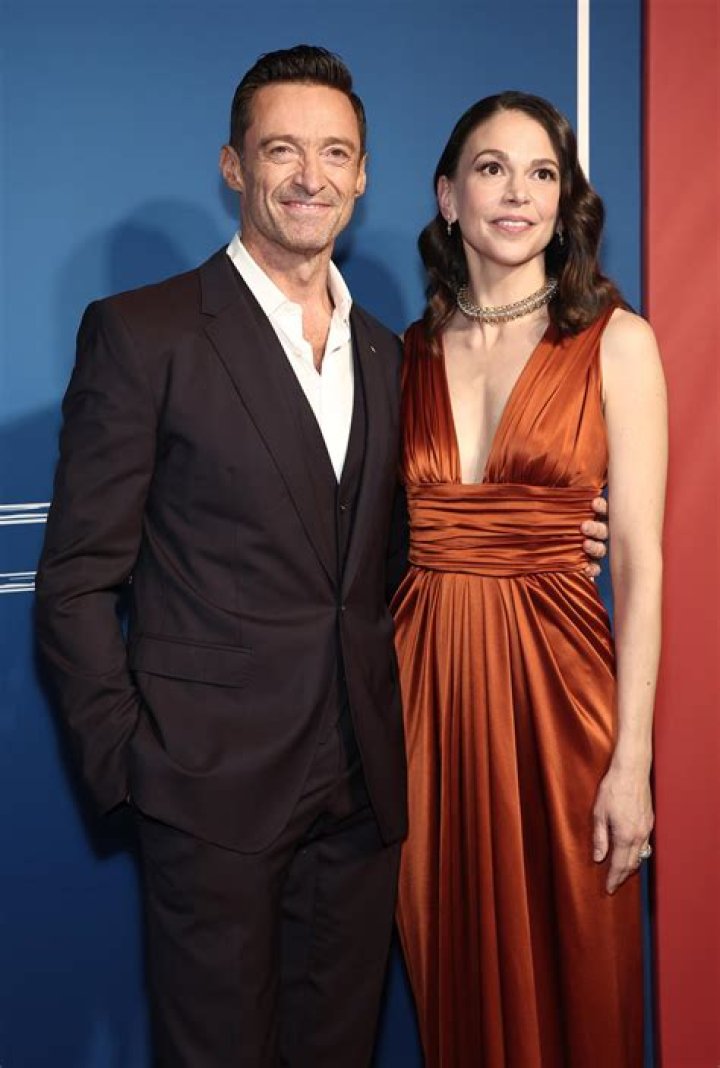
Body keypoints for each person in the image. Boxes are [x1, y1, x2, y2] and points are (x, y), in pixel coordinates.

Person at [34, 49, 609, 1066]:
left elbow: (400, 548)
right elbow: (77, 580)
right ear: (233, 165)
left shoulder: (393, 353)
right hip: (207, 794)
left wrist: (541, 527)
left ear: (365, 175)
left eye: (336, 153)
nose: (311, 176)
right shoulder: (146, 332)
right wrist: (133, 767)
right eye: (282, 151)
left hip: (360, 795)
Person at [392, 91, 666, 1067]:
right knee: (449, 963)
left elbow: (638, 559)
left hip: (563, 699)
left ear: (565, 202)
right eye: (492, 169)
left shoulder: (617, 343)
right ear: (448, 196)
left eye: (542, 172)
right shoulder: (402, 355)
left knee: (581, 969)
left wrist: (631, 762)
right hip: (424, 701)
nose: (518, 193)